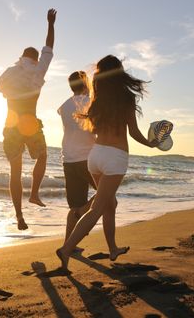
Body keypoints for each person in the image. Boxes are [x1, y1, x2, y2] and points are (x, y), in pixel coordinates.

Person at [56, 55, 159, 273]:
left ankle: (112, 249)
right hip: (115, 157)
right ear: (120, 73)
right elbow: (133, 132)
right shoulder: (127, 98)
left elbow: (92, 129)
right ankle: (66, 249)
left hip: (95, 156)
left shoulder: (96, 98)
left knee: (109, 204)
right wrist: (151, 144)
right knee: (97, 208)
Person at [0, 8, 56, 230]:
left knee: (15, 172)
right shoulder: (38, 70)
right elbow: (49, 48)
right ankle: (35, 194)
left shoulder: (9, 74)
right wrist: (50, 24)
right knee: (42, 156)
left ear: (21, 57)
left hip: (11, 125)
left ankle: (19, 215)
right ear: (36, 58)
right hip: (29, 123)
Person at [57, 71, 97, 249]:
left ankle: (69, 244)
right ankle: (83, 211)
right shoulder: (90, 103)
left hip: (68, 159)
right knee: (107, 194)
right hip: (87, 158)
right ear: (85, 84)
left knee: (73, 206)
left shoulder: (63, 106)